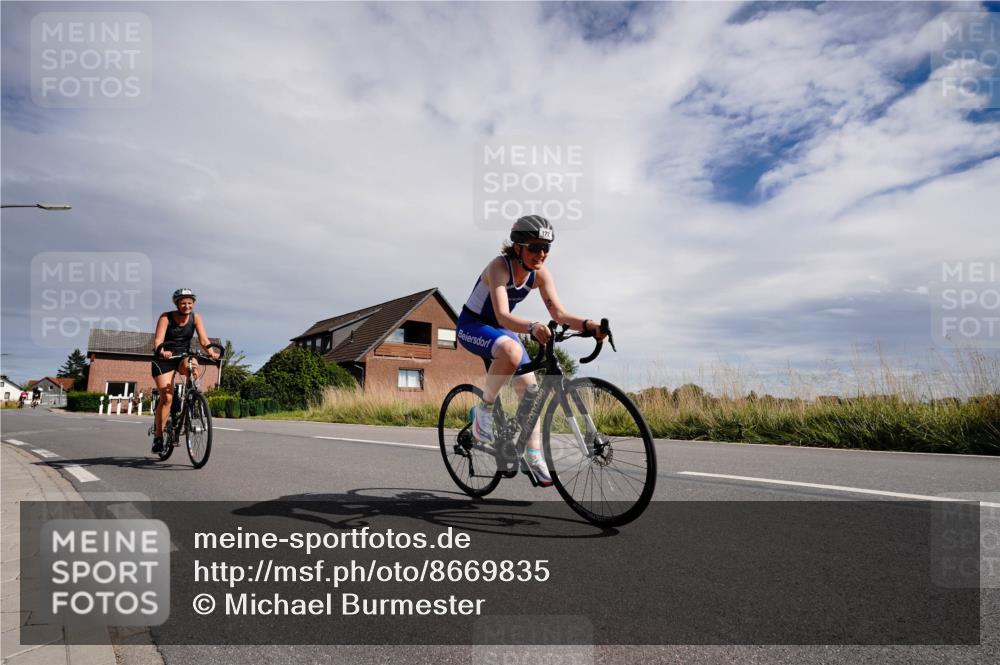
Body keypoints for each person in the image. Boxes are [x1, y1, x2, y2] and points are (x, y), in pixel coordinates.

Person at [456, 215, 607, 486]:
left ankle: (533, 455)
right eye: (535, 247)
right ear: (517, 246)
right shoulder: (499, 267)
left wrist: (589, 325)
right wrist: (533, 326)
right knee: (512, 352)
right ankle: (484, 411)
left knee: (532, 392)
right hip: (473, 325)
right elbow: (502, 316)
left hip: (501, 331)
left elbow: (559, 313)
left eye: (546, 248)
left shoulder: (540, 274)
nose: (542, 254)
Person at [150, 288, 219, 454]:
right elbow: (158, 339)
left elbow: (203, 339)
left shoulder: (196, 318)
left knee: (193, 365)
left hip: (183, 355)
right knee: (167, 397)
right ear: (177, 304)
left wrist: (210, 351)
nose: (186, 306)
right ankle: (159, 437)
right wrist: (161, 350)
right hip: (164, 358)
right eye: (183, 303)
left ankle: (193, 397)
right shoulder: (166, 317)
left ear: (193, 303)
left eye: (189, 303)